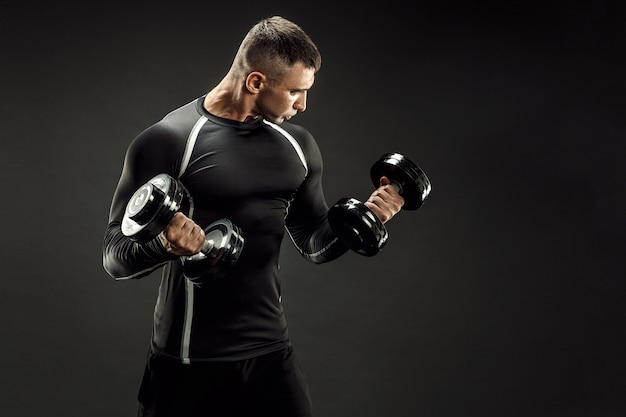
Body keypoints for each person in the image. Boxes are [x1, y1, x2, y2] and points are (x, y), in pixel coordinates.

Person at [102, 15, 405, 417]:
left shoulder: (298, 146)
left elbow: (314, 243)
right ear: (256, 82)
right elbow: (113, 256)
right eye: (295, 91)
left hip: (269, 356)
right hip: (187, 363)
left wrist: (365, 219)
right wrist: (163, 245)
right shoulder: (169, 140)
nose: (303, 104)